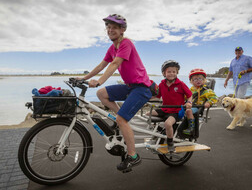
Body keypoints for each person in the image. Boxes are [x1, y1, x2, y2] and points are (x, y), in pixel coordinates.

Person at [78, 14, 152, 171]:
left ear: (122, 30)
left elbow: (115, 63)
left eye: (114, 28)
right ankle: (122, 119)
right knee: (101, 94)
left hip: (142, 88)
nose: (110, 30)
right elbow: (101, 66)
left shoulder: (126, 43)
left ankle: (133, 156)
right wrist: (83, 78)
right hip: (130, 86)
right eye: (108, 27)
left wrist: (100, 80)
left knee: (121, 119)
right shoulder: (112, 48)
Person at [149, 60, 192, 152]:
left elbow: (189, 95)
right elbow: (157, 96)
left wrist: (189, 102)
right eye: (169, 71)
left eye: (174, 72)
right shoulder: (161, 84)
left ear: (177, 73)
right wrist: (145, 98)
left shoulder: (180, 84)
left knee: (168, 123)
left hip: (176, 112)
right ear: (164, 73)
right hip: (164, 109)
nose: (171, 73)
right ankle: (161, 130)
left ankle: (170, 142)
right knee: (147, 114)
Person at [183, 69, 218, 135]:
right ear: (191, 81)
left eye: (200, 79)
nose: (198, 80)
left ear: (204, 80)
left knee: (188, 111)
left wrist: (209, 102)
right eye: (195, 79)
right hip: (190, 105)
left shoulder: (206, 90)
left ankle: (191, 128)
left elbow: (214, 98)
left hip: (197, 107)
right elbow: (185, 96)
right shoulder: (191, 89)